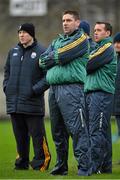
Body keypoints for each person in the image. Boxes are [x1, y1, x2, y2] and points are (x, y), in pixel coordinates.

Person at [39, 10, 91, 176]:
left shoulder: (81, 39)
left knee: (77, 129)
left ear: (77, 22)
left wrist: (53, 57)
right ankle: (61, 166)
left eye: (69, 20)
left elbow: (62, 55)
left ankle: (84, 167)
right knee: (57, 131)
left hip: (72, 89)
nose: (65, 23)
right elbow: (41, 61)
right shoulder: (57, 40)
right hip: (54, 90)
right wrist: (54, 58)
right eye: (63, 20)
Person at [3, 23, 51, 170]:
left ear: (31, 34)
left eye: (24, 32)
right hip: (14, 103)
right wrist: (7, 87)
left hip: (32, 103)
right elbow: (7, 72)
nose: (21, 35)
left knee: (37, 136)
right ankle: (21, 163)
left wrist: (34, 90)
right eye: (19, 32)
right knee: (20, 137)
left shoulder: (42, 51)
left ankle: (41, 163)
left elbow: (48, 76)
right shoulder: (13, 52)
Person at [85, 22, 117, 174]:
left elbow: (87, 65)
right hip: (93, 93)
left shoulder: (107, 48)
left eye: (99, 30)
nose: (95, 33)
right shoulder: (97, 48)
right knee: (102, 131)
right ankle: (105, 167)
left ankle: (93, 167)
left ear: (108, 33)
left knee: (96, 131)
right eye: (94, 30)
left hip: (101, 94)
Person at [113, 32, 120, 140]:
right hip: (117, 106)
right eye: (115, 42)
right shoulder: (115, 60)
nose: (117, 45)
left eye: (119, 42)